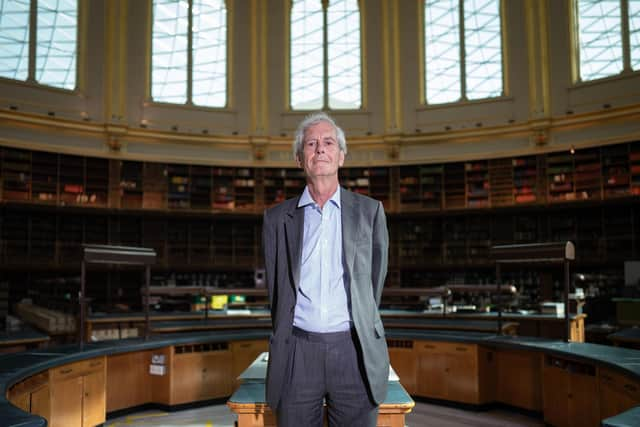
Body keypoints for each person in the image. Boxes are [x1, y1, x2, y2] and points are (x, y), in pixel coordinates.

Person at [262, 112, 390, 427]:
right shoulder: (277, 218)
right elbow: (277, 290)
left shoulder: (369, 212)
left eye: (329, 142)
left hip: (353, 349)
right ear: (299, 159)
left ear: (341, 156)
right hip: (297, 352)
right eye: (311, 143)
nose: (320, 149)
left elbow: (374, 283)